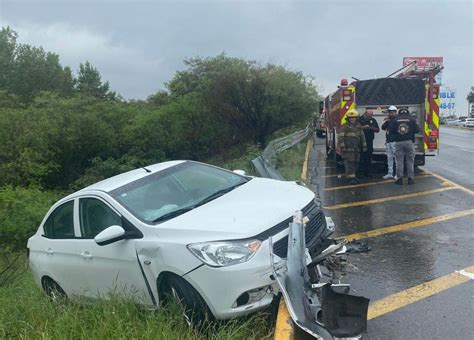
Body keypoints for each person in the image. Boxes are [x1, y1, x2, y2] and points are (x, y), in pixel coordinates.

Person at [389, 108, 420, 185]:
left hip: (399, 142)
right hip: (409, 142)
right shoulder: (412, 120)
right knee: (410, 161)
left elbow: (391, 131)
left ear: (399, 113)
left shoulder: (395, 120)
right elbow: (417, 130)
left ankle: (399, 179)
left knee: (399, 162)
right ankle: (410, 179)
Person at [337, 109, 366, 184]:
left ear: (356, 118)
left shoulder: (358, 126)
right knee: (349, 164)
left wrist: (364, 145)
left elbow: (362, 136)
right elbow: (340, 137)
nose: (352, 119)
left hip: (356, 149)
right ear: (348, 118)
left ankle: (353, 177)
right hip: (347, 150)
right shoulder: (344, 126)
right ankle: (350, 179)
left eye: (354, 117)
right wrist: (343, 147)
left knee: (355, 163)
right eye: (350, 117)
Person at [358, 109, 380, 177]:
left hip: (369, 141)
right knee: (361, 157)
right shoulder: (359, 119)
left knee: (368, 157)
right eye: (369, 116)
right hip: (360, 141)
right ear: (365, 114)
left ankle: (367, 172)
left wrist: (371, 128)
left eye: (371, 116)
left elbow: (377, 130)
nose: (370, 117)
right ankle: (360, 172)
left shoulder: (373, 120)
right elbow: (355, 128)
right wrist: (363, 127)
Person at [381, 105, 398, 179]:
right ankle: (390, 173)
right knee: (389, 158)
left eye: (392, 112)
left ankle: (398, 174)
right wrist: (387, 121)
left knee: (397, 159)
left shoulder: (398, 120)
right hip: (389, 141)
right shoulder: (389, 120)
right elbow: (383, 128)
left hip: (395, 141)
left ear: (395, 112)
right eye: (390, 112)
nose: (391, 114)